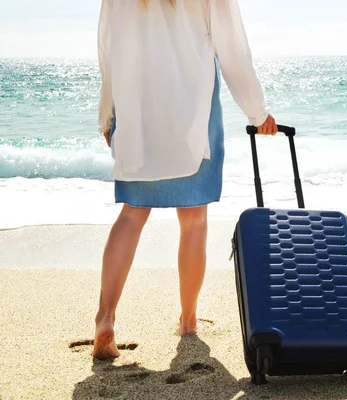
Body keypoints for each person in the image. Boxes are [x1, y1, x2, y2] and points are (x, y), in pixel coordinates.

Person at [93, 0, 277, 359]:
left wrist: (108, 114)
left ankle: (105, 319)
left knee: (132, 215)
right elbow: (232, 49)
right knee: (193, 220)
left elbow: (108, 48)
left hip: (137, 112)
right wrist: (258, 112)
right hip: (193, 111)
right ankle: (188, 321)